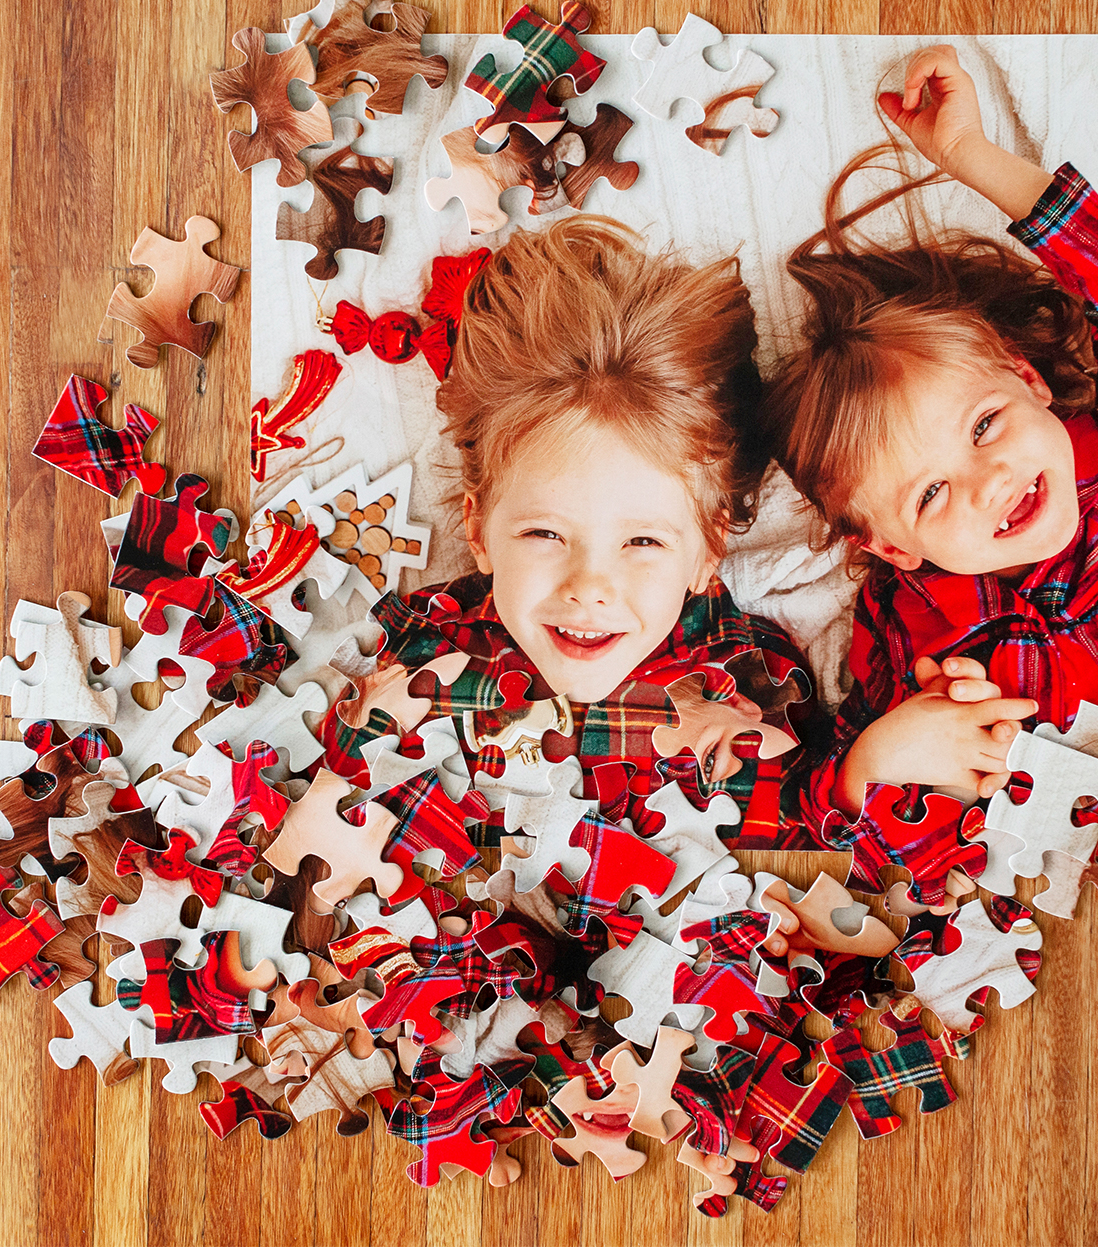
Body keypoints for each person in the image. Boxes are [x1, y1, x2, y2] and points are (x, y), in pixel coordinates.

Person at [760, 45, 1098, 846]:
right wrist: (868, 765)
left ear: (1030, 380)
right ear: (890, 546)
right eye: (929, 494)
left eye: (984, 425)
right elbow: (864, 838)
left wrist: (973, 159)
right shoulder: (925, 638)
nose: (988, 483)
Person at [320, 214, 820, 848]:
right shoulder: (426, 649)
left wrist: (759, 763)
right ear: (478, 529)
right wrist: (367, 725)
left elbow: (799, 853)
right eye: (545, 535)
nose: (591, 585)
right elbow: (348, 820)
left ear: (709, 548)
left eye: (643, 542)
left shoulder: (746, 670)